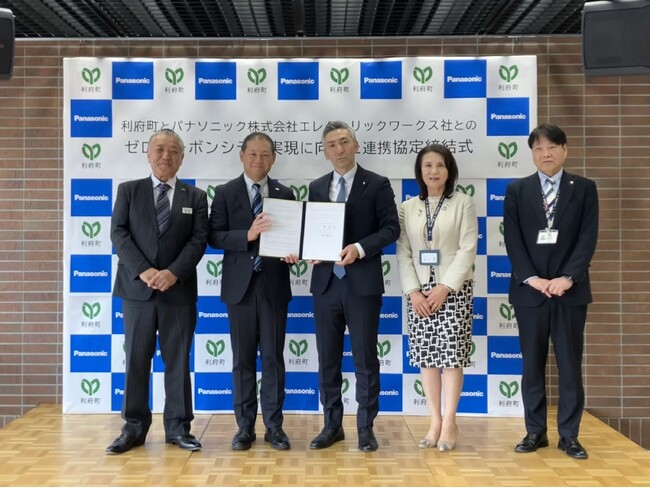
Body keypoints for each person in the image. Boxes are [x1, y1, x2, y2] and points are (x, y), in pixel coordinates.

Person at [107, 129, 208, 454]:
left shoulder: (196, 197)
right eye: (160, 149)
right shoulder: (129, 191)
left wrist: (173, 273)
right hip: (137, 291)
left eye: (173, 150)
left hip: (178, 293)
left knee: (177, 362)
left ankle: (178, 428)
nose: (166, 155)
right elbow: (118, 233)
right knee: (136, 361)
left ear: (182, 158)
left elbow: (198, 240)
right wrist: (145, 270)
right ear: (149, 155)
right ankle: (133, 429)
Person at [503, 124, 599, 460]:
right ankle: (535, 431)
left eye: (553, 147)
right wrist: (532, 278)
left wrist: (568, 277)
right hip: (530, 293)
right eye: (539, 148)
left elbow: (588, 237)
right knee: (532, 364)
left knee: (570, 365)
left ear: (565, 150)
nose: (546, 154)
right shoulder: (517, 190)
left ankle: (569, 435)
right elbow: (512, 240)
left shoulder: (584, 188)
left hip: (569, 292)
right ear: (532, 153)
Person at [308, 121, 400, 452]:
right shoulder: (316, 187)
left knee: (365, 358)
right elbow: (312, 230)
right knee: (327, 359)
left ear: (356, 145)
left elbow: (391, 229)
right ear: (325, 152)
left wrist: (359, 248)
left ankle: (365, 427)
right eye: (332, 144)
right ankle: (331, 425)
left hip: (362, 284)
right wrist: (308, 250)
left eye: (344, 142)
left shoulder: (377, 184)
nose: (339, 149)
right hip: (325, 284)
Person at [208, 132, 297, 451]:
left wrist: (294, 251)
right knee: (242, 360)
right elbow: (214, 237)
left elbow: (294, 235)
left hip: (274, 286)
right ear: (242, 156)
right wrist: (247, 235)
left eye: (265, 155)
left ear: (273, 159)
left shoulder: (285, 193)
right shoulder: (225, 192)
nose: (259, 160)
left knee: (273, 359)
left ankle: (274, 427)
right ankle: (244, 427)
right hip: (240, 289)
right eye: (253, 154)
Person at [396, 144, 478, 452]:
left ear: (449, 170)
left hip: (453, 291)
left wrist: (445, 287)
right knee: (427, 358)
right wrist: (413, 291)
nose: (434, 171)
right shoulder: (407, 207)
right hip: (419, 293)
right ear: (419, 171)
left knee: (451, 358)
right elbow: (403, 252)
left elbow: (467, 249)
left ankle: (450, 422)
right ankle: (434, 421)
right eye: (427, 165)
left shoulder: (463, 203)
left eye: (440, 165)